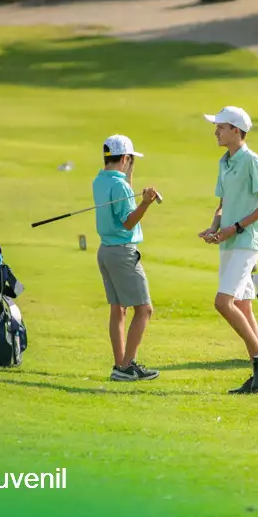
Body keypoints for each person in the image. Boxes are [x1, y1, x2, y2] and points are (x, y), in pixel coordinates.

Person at [198, 106, 258, 394]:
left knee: (223, 302)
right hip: (230, 241)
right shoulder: (224, 161)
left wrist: (236, 227)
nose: (216, 132)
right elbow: (223, 205)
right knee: (243, 306)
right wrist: (214, 227)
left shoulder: (251, 160)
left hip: (246, 241)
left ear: (236, 130)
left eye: (221, 127)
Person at [94, 134, 161, 382]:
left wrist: (129, 174)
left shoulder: (100, 180)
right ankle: (126, 366)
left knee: (118, 309)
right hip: (123, 253)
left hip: (106, 252)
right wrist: (146, 203)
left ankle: (119, 366)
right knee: (144, 309)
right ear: (124, 158)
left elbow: (123, 193)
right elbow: (129, 221)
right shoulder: (119, 186)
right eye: (130, 160)